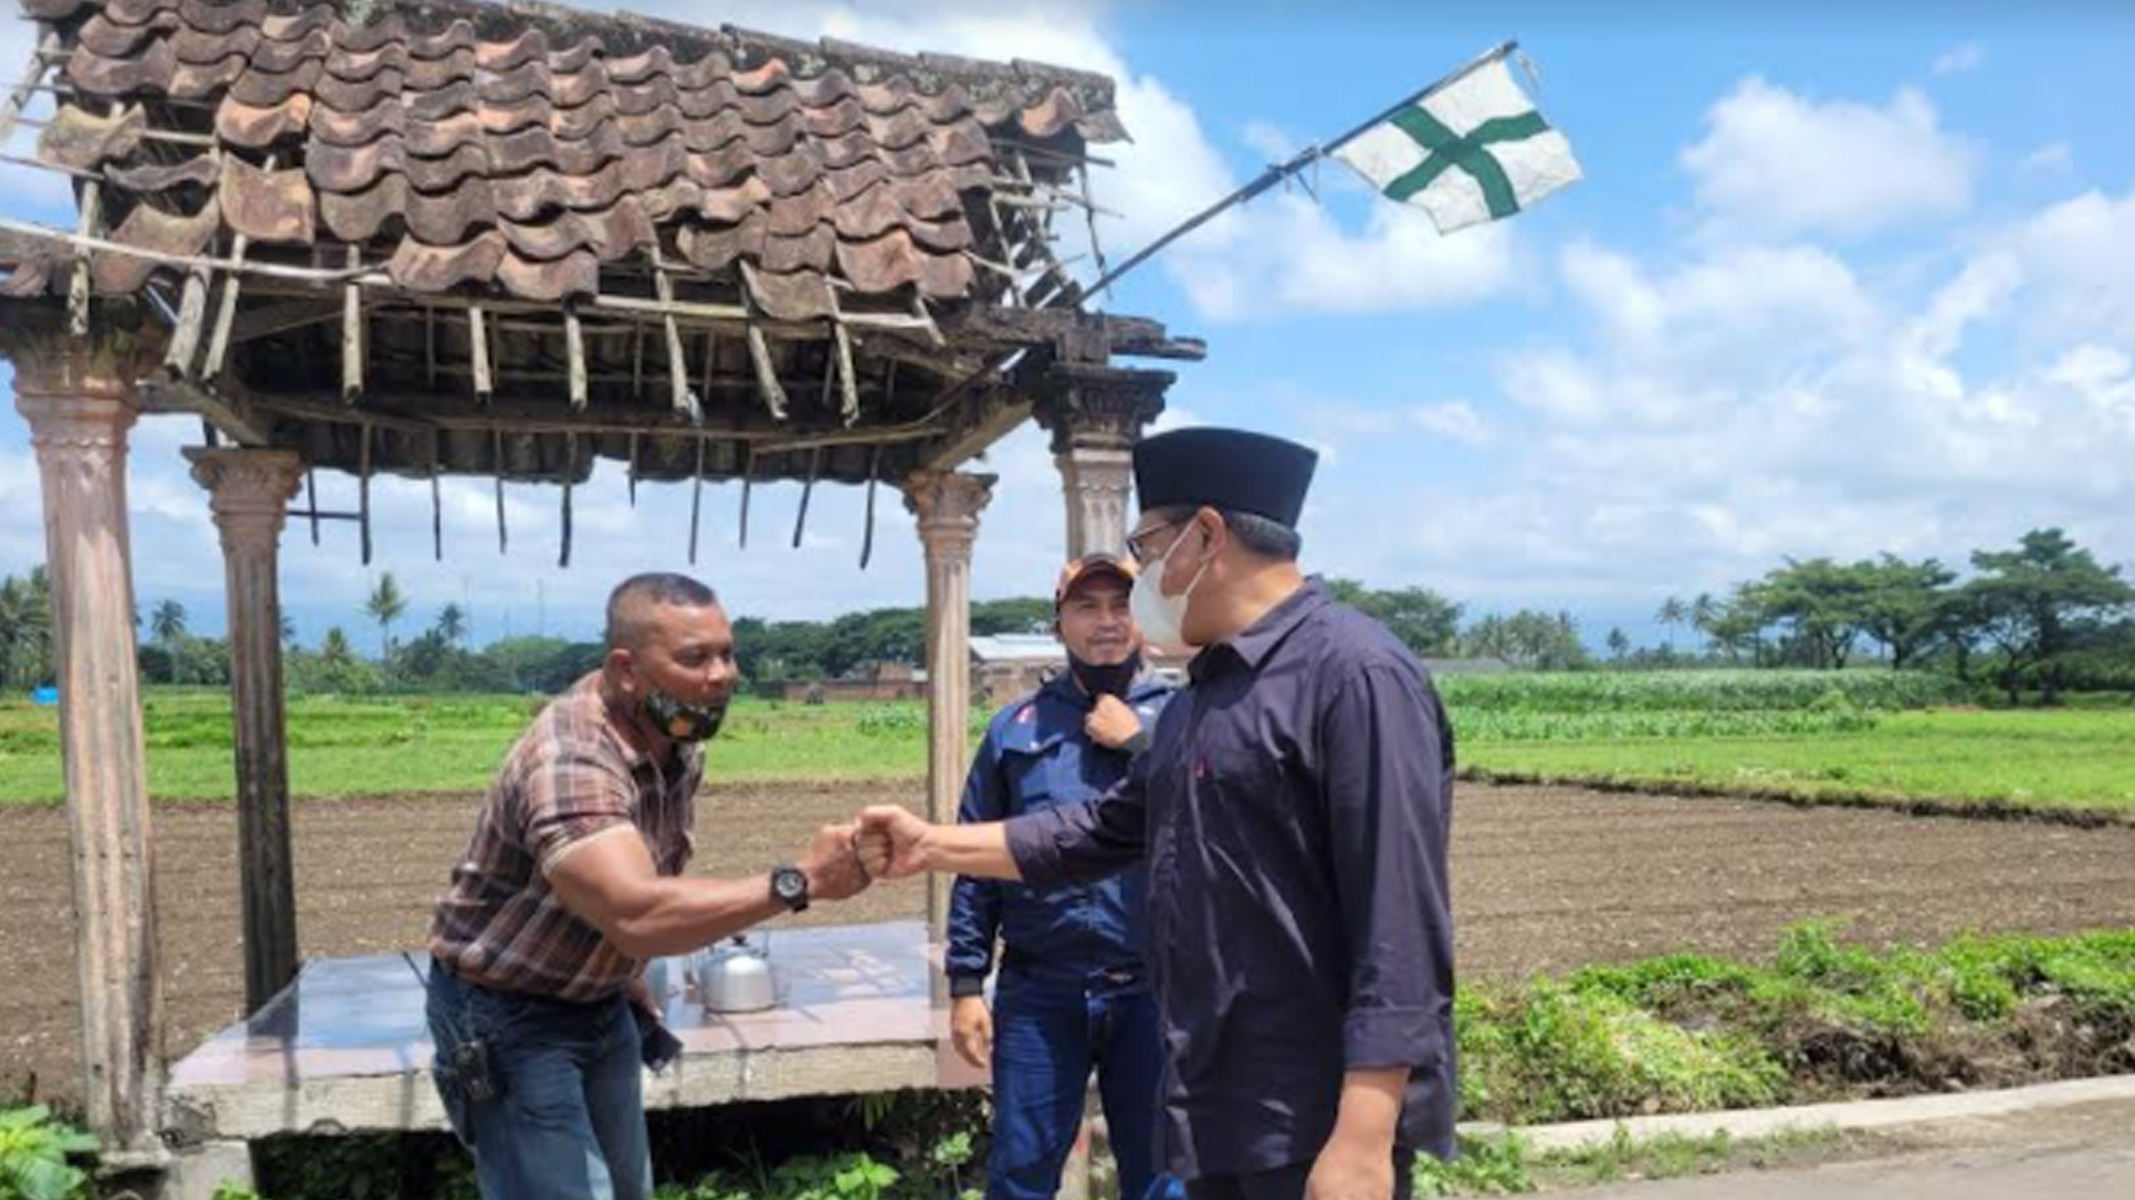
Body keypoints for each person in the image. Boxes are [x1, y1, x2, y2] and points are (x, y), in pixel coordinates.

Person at [858, 429, 1457, 1200]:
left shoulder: (1353, 674)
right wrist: (929, 843)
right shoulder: (1204, 696)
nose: (1139, 579)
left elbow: (1399, 921)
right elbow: (1096, 831)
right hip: (1212, 1095)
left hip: (1309, 1118)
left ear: (1204, 538)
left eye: (1146, 546)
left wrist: (1364, 1138)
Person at [425, 572, 871, 1200]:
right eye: (695, 658)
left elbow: (642, 880)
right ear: (626, 668)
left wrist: (621, 963)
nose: (722, 675)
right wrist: (800, 881)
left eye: (727, 653)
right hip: (510, 1019)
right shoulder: (572, 759)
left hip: (599, 1003)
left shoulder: (675, 738)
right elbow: (634, 909)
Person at [947, 554, 1181, 1200]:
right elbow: (976, 859)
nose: (1105, 621)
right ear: (1059, 625)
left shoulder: (1184, 718)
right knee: (1021, 1173)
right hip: (1039, 992)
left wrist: (1142, 744)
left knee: (1164, 1175)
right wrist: (966, 983)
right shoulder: (1012, 730)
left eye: (1120, 605)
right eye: (1086, 606)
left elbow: (1218, 826)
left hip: (1153, 991)